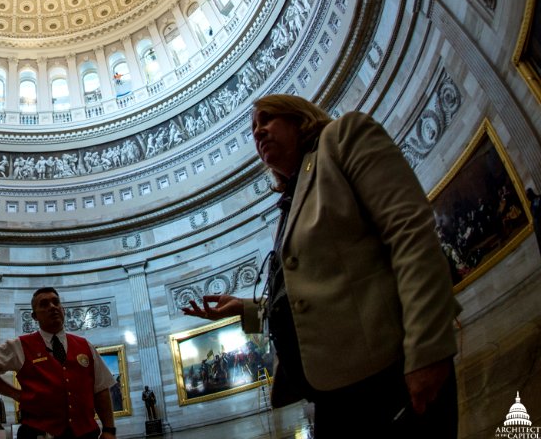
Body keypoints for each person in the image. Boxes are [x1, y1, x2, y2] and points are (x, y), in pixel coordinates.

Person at [182, 94, 460, 438]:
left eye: (268, 119)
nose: (259, 132)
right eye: (254, 128)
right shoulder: (291, 199)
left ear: (299, 118)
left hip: (388, 377)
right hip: (333, 393)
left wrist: (428, 349)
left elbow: (410, 234)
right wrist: (245, 309)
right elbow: (317, 291)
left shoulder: (344, 138)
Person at [0, 288, 117, 439]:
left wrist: (109, 429)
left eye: (56, 302)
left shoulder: (85, 346)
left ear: (63, 309)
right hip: (38, 433)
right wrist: (16, 394)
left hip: (84, 433)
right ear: (34, 316)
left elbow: (101, 389)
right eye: (44, 304)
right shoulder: (19, 346)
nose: (52, 307)